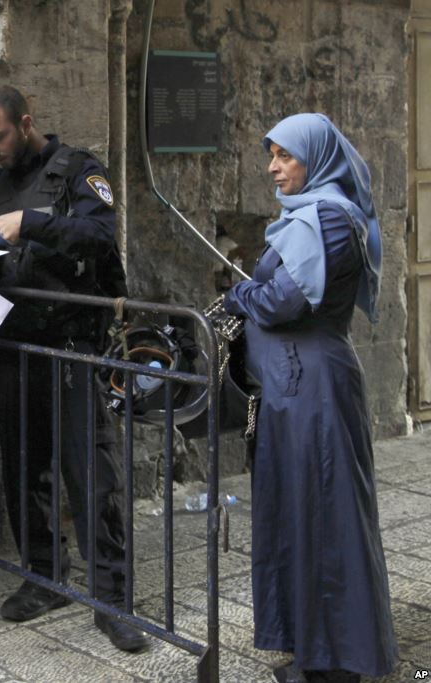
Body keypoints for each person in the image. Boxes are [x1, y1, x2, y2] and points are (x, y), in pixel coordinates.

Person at [0, 84, 147, 653]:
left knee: (91, 475)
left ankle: (112, 599)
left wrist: (34, 223)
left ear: (25, 122)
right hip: (17, 348)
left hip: (70, 347)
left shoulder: (78, 170)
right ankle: (44, 577)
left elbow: (100, 235)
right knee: (24, 472)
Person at [223, 113, 397, 683]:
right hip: (291, 384)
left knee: (326, 512)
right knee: (298, 510)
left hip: (314, 384)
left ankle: (340, 661)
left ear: (317, 159)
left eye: (285, 157)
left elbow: (279, 303)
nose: (273, 168)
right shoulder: (303, 217)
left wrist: (240, 291)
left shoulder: (330, 219)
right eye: (270, 155)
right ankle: (311, 646)